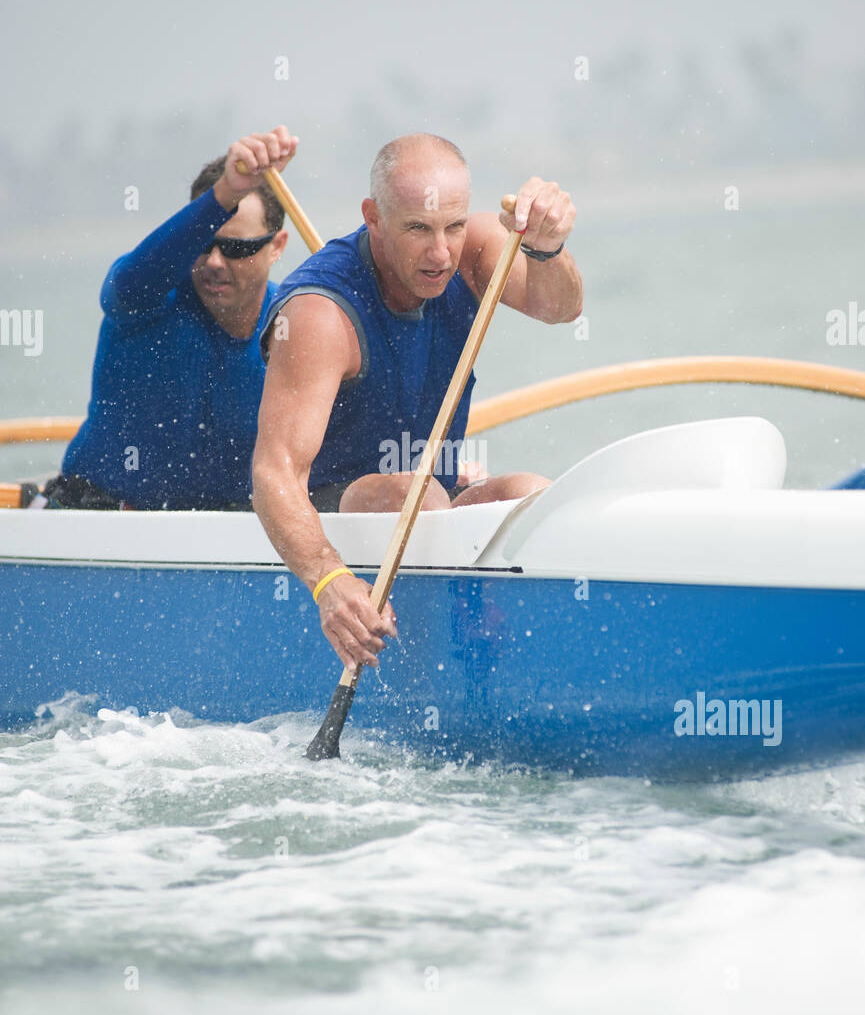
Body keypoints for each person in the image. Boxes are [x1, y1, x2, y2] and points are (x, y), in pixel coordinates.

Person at [253, 132, 582, 671]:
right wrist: (330, 582)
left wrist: (548, 248)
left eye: (453, 227)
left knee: (533, 495)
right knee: (421, 495)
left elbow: (561, 308)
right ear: (374, 218)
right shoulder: (318, 314)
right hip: (334, 511)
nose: (440, 253)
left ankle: (529, 656)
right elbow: (274, 472)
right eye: (417, 230)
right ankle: (454, 653)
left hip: (430, 497)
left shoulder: (476, 250)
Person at [40, 127, 296, 510]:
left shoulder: (294, 324)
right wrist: (226, 194)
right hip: (99, 519)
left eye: (234, 248)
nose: (213, 262)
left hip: (231, 533)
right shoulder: (145, 300)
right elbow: (128, 279)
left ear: (276, 247)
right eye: (201, 243)